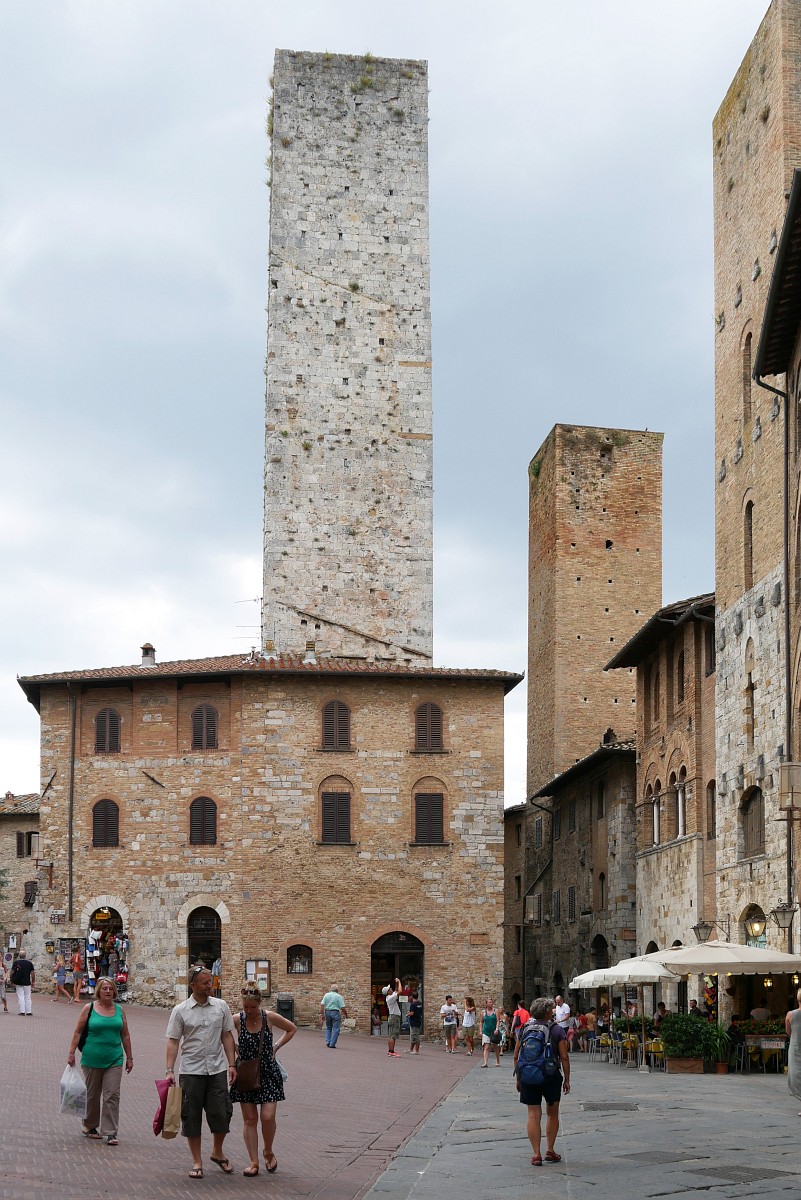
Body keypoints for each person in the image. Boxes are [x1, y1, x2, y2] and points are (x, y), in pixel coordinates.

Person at [165, 964, 238, 1180]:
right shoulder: (180, 1010)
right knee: (191, 1116)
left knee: (222, 1113)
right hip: (191, 1070)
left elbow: (227, 1036)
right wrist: (169, 1070)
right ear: (192, 985)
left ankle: (217, 1152)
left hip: (216, 1069)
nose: (210, 986)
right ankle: (197, 1162)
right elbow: (173, 1041)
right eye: (205, 983)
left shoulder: (221, 1006)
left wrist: (232, 1064)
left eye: (210, 982)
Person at [231, 982, 296, 1176]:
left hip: (268, 1071)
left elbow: (291, 1029)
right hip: (246, 1072)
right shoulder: (237, 1020)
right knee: (250, 1119)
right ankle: (254, 1162)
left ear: (259, 1004)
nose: (249, 1011)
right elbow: (221, 1033)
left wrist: (276, 1046)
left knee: (267, 1117)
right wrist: (234, 1048)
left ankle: (268, 1150)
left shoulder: (269, 1017)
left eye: (252, 1007)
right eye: (246, 1007)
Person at [67, 976, 133, 1144]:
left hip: (114, 1058)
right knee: (92, 1094)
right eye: (104, 988)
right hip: (91, 1058)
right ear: (98, 991)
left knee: (112, 1095)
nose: (108, 991)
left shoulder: (120, 1010)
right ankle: (89, 1126)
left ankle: (110, 1131)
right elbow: (77, 1032)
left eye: (110, 988)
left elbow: (125, 1035)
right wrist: (71, 1053)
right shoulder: (89, 1008)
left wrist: (129, 1057)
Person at [514, 996, 570, 1166]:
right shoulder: (556, 1030)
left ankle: (536, 1154)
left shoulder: (525, 1028)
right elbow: (564, 1057)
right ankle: (550, 1150)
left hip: (528, 1075)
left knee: (533, 1115)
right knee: (552, 1114)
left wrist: (519, 1078)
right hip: (550, 1076)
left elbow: (516, 1055)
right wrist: (567, 1079)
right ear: (547, 1013)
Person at [319, 984, 348, 1049]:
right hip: (335, 1012)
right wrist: (346, 1014)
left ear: (331, 989)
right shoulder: (339, 996)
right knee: (336, 1029)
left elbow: (322, 1005)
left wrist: (322, 1014)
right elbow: (342, 1007)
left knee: (328, 1027)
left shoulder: (326, 995)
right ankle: (332, 1043)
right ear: (337, 990)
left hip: (327, 1012)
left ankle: (328, 1041)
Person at [383, 979, 402, 1058]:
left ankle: (390, 1051)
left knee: (392, 1035)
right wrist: (399, 982)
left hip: (393, 1017)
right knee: (393, 1036)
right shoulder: (390, 998)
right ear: (388, 992)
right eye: (389, 989)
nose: (391, 989)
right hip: (394, 1017)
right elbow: (400, 991)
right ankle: (391, 1051)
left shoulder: (390, 997)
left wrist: (396, 983)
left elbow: (396, 990)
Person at [481, 998, 501, 1067]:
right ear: (486, 1004)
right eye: (489, 1002)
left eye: (492, 1002)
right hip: (486, 1031)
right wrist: (480, 1030)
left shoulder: (496, 1011)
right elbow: (481, 1022)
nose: (491, 1003)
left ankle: (497, 1060)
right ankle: (485, 1062)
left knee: (495, 1046)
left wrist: (497, 1029)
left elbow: (498, 1021)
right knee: (486, 1047)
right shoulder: (483, 1012)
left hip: (493, 1032)